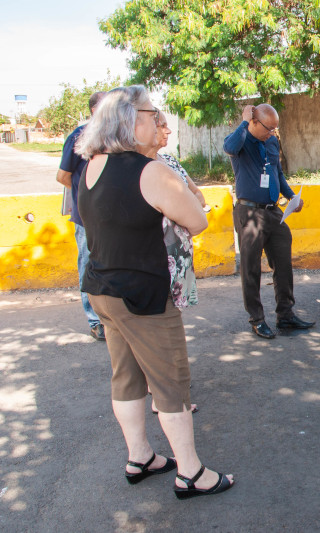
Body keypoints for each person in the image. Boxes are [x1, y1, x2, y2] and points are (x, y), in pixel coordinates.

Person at [76, 85, 233, 499]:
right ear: (130, 120)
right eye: (152, 113)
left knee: (125, 378)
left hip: (102, 289)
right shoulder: (151, 171)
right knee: (170, 385)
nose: (157, 120)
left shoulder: (93, 164)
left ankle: (140, 456)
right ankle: (191, 473)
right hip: (144, 296)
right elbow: (197, 220)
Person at [223, 104, 315, 339]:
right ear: (253, 122)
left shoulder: (272, 142)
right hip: (249, 213)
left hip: (274, 212)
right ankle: (257, 319)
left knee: (283, 265)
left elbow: (277, 173)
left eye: (276, 128)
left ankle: (285, 315)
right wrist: (243, 121)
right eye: (268, 128)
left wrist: (291, 196)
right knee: (250, 268)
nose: (273, 133)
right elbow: (229, 147)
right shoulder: (240, 140)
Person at [143, 111, 201, 415]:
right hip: (158, 259)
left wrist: (185, 207)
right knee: (162, 330)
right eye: (161, 126)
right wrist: (183, 210)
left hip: (178, 254)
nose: (167, 132)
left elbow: (196, 196)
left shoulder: (170, 162)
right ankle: (165, 395)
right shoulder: (145, 168)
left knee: (169, 323)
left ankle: (164, 389)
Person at [56, 91, 106, 341]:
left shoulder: (116, 137)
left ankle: (111, 316)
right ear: (96, 109)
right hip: (86, 218)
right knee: (88, 265)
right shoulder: (79, 136)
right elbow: (63, 176)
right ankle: (95, 320)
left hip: (112, 217)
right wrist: (83, 200)